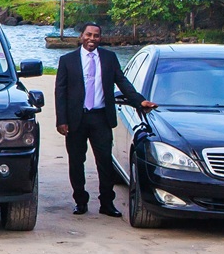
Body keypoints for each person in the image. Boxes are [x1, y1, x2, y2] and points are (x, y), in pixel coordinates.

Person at [54, 22, 155, 216]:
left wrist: (139, 101)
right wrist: (61, 120)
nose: (92, 39)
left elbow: (122, 82)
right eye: (88, 35)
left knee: (105, 162)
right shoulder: (67, 60)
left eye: (96, 35)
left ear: (100, 38)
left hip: (101, 118)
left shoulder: (109, 58)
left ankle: (107, 203)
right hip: (76, 119)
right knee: (76, 161)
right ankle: (80, 201)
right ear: (81, 36)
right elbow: (60, 91)